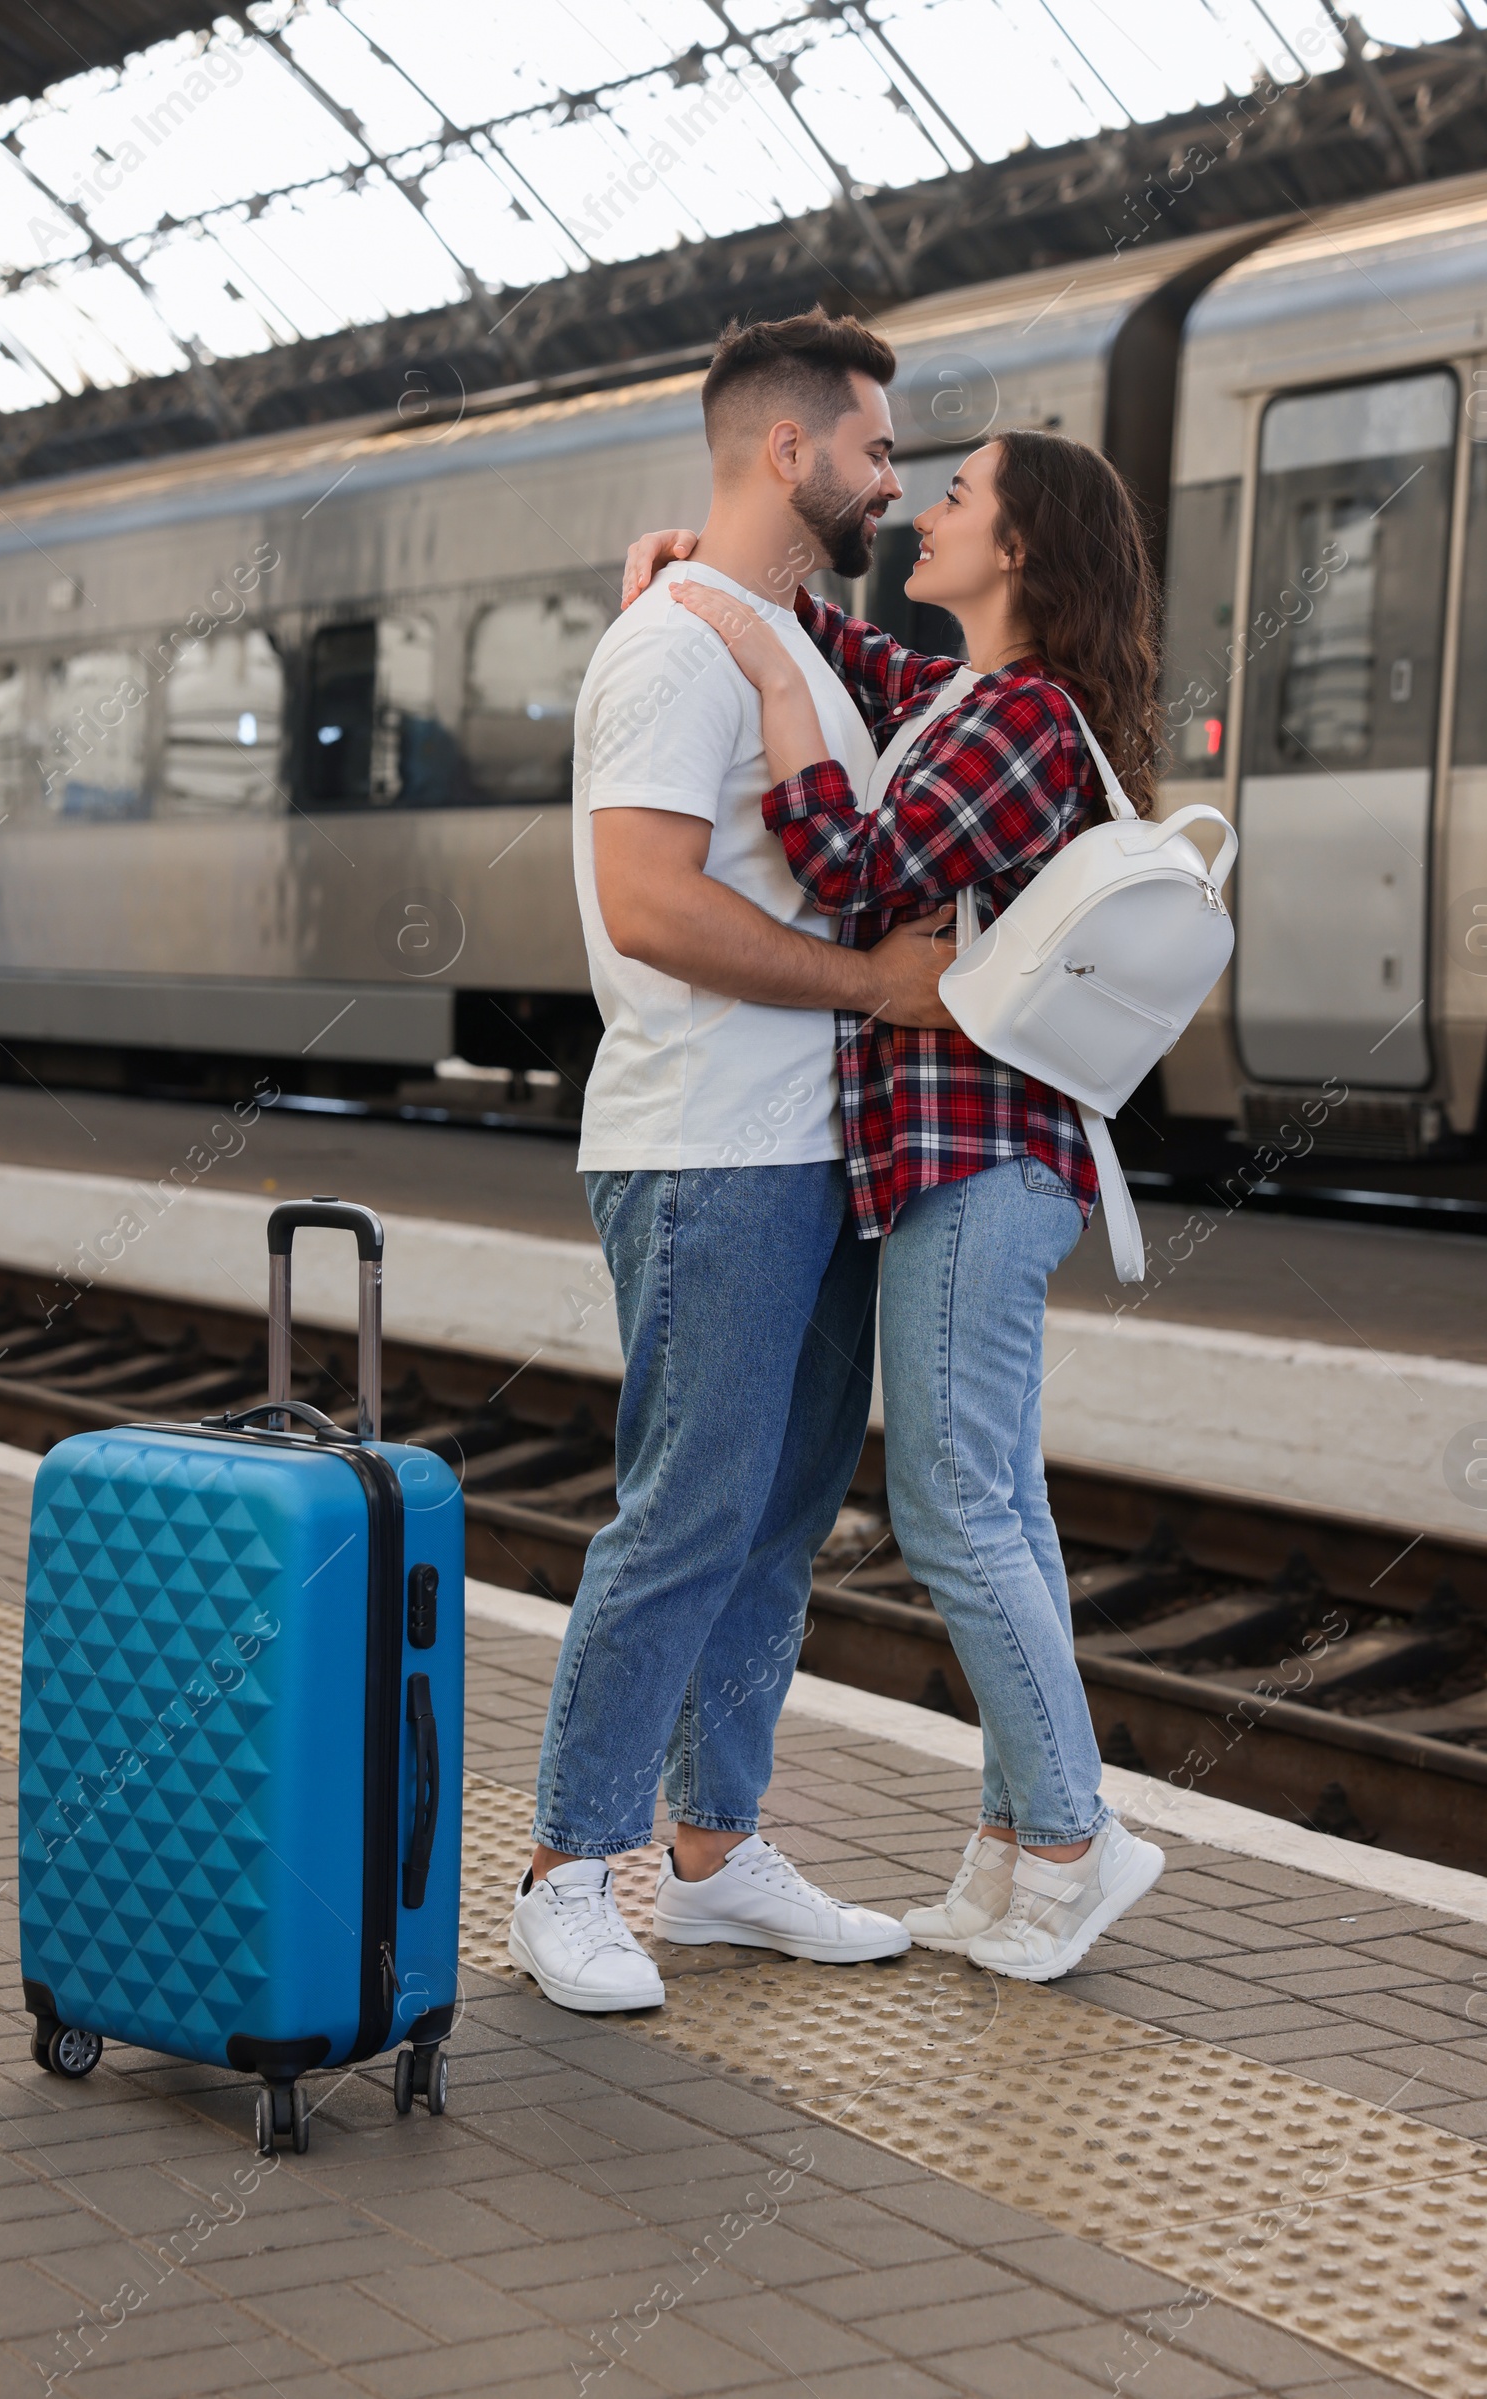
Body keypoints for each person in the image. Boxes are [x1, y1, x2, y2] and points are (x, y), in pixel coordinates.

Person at [623, 425, 1167, 1982]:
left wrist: (777, 689)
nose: (923, 514)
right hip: (971, 1162)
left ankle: (1075, 1836)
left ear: (1021, 547)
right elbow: (861, 652)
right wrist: (732, 588)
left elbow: (859, 867)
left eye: (956, 498)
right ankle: (1011, 1849)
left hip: (981, 1159)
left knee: (948, 1505)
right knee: (1009, 1502)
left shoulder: (1018, 721)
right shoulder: (972, 697)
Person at [508, 310, 955, 2013]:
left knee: (775, 1523)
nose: (893, 480)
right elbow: (647, 903)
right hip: (707, 1149)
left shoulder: (777, 632)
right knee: (684, 1516)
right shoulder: (677, 649)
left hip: (810, 1152)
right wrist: (870, 987)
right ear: (794, 452)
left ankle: (713, 1851)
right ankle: (567, 1867)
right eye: (877, 447)